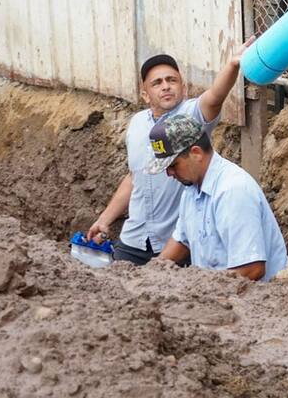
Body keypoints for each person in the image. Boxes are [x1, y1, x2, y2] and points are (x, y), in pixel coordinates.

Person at [86, 47, 245, 265]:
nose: (166, 86)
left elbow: (215, 97)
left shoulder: (190, 117)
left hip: (178, 243)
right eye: (157, 83)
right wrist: (104, 220)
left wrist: (232, 65)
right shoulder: (137, 124)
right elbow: (135, 178)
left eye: (172, 80)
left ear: (184, 87)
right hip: (135, 239)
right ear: (145, 94)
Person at [151, 113, 288, 281]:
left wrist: (201, 293)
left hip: (259, 300)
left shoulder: (233, 190)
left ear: (196, 153)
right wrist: (152, 275)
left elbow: (251, 269)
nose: (169, 173)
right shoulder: (191, 188)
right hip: (220, 295)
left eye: (173, 165)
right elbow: (181, 240)